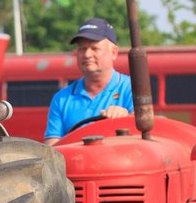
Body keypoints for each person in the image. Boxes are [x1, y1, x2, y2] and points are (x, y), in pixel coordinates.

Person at [43, 17, 134, 145]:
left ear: (113, 52)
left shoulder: (132, 89)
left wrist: (126, 119)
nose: (87, 54)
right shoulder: (62, 99)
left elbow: (145, 131)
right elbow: (52, 148)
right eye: (82, 48)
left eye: (94, 48)